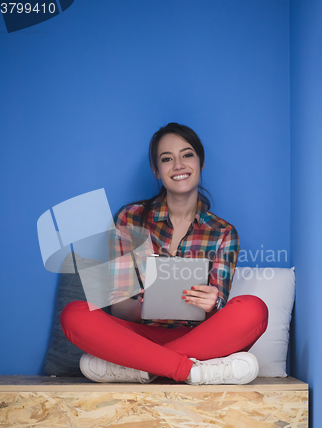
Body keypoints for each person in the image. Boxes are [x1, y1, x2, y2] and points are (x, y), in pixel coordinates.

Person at [60, 123, 268, 385]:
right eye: (167, 159)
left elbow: (219, 314)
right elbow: (120, 310)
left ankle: (141, 367)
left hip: (199, 339)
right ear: (156, 171)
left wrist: (212, 305)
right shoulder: (129, 219)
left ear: (201, 163)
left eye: (187, 154)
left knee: (254, 309)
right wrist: (148, 301)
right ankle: (188, 371)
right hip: (138, 336)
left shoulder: (224, 233)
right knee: (74, 314)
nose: (178, 164)